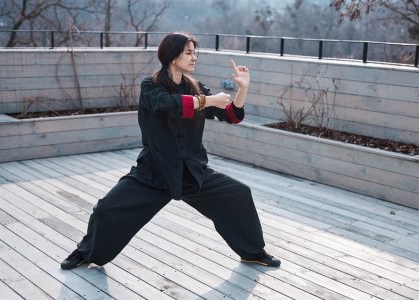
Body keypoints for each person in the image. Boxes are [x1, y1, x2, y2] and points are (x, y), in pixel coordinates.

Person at [61, 32, 280, 270]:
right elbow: (170, 105)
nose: (194, 57)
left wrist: (242, 90)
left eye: (195, 52)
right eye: (189, 53)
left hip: (192, 172)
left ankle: (253, 252)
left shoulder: (196, 87)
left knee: (238, 194)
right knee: (106, 209)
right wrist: (208, 101)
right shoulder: (151, 86)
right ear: (172, 56)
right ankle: (85, 253)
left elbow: (230, 115)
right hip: (154, 173)